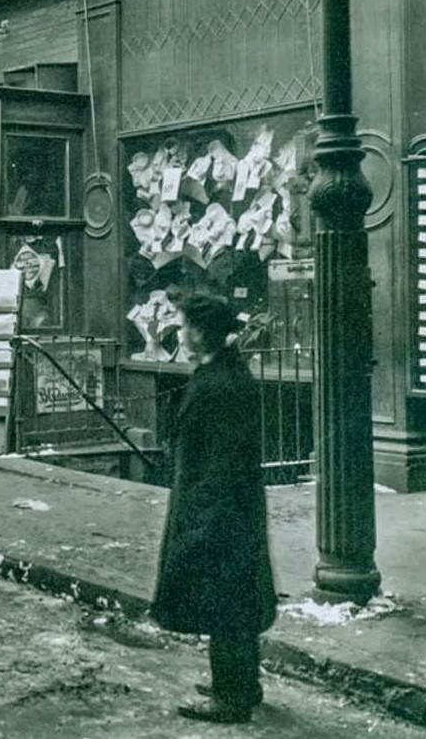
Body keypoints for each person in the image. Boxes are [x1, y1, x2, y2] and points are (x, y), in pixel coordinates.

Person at [151, 293, 277, 725]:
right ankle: (243, 682)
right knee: (233, 597)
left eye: (183, 325)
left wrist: (203, 519)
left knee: (224, 599)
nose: (179, 332)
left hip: (218, 507)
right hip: (225, 504)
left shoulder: (221, 384)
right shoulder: (223, 372)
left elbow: (221, 459)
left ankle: (231, 696)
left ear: (201, 332)